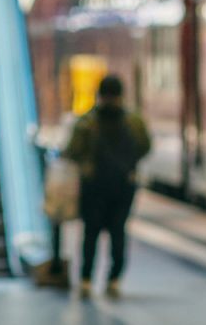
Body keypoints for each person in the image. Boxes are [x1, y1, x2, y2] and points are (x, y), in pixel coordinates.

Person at [63, 74, 151, 299]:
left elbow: (72, 151)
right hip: (123, 185)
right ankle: (114, 279)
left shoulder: (86, 122)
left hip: (93, 186)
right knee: (118, 232)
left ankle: (85, 279)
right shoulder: (134, 122)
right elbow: (144, 147)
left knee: (90, 233)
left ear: (99, 95)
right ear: (122, 96)